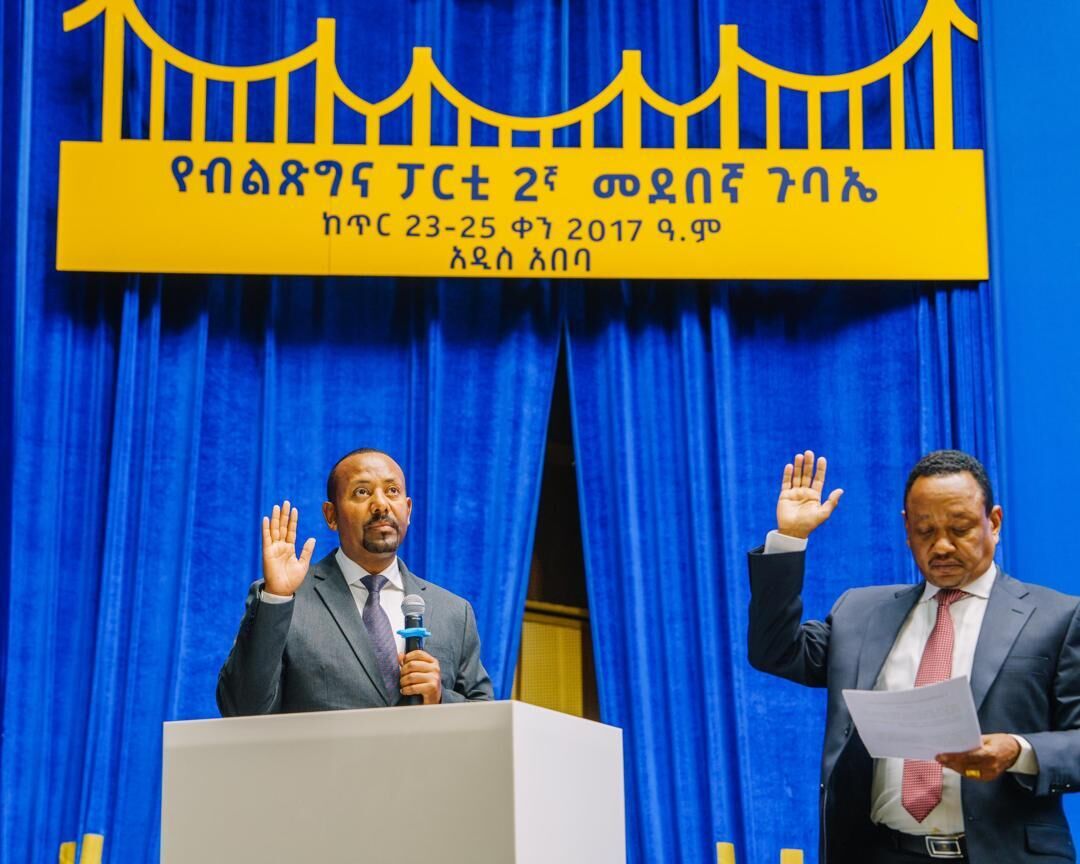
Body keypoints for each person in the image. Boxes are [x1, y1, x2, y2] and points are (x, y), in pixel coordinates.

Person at [747, 449, 1079, 864]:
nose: (942, 546)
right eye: (925, 530)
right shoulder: (860, 613)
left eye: (960, 528)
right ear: (907, 529)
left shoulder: (1057, 617)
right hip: (882, 852)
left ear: (993, 523)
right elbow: (775, 651)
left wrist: (1017, 750)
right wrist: (790, 539)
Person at [217, 448, 493, 715]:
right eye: (362, 492)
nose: (381, 505)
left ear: (408, 510)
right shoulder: (286, 598)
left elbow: (487, 718)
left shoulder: (453, 612)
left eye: (392, 491)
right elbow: (242, 708)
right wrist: (277, 597)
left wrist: (440, 698)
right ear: (331, 515)